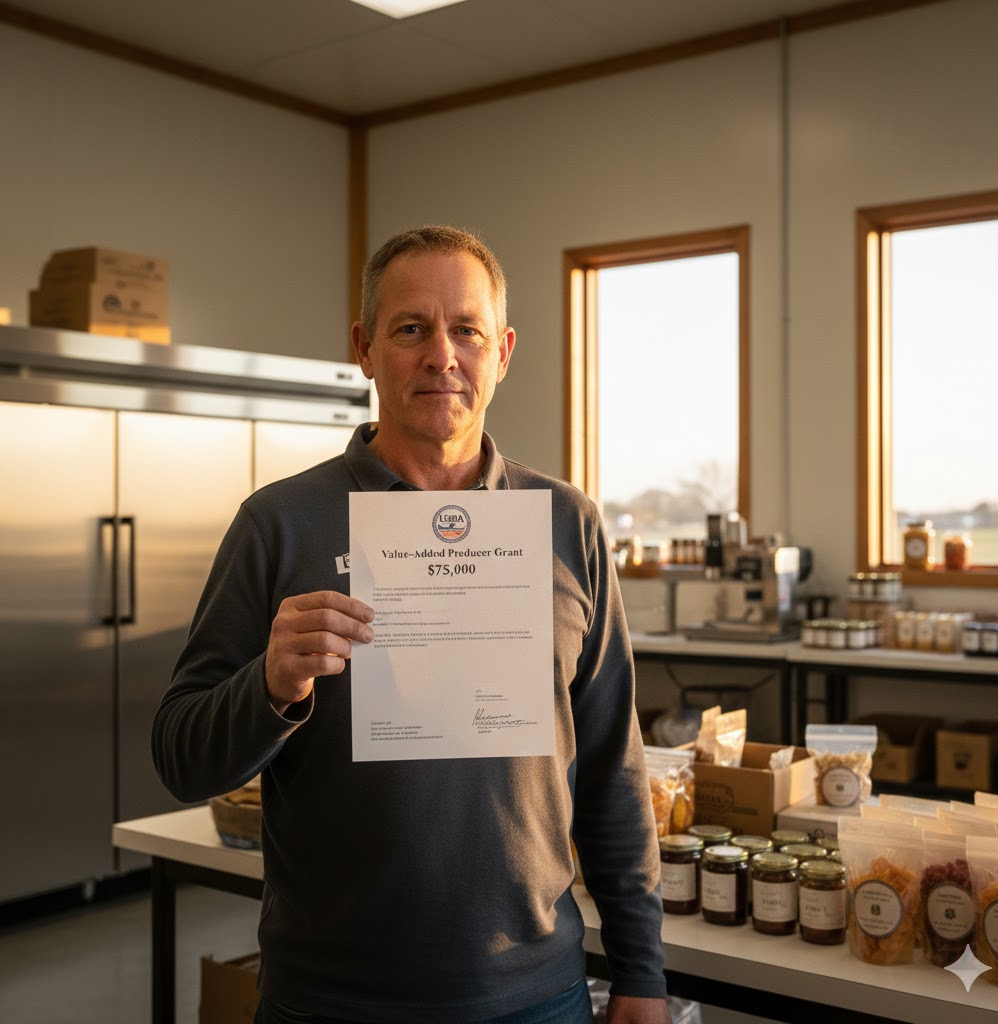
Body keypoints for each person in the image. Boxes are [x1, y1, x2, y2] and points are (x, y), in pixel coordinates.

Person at [152, 226, 671, 1024]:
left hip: (535, 995)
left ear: (502, 350)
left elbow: (613, 767)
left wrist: (641, 969)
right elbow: (181, 758)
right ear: (364, 348)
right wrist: (270, 683)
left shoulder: (568, 524)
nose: (441, 355)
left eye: (465, 329)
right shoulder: (279, 524)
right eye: (410, 329)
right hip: (330, 1000)